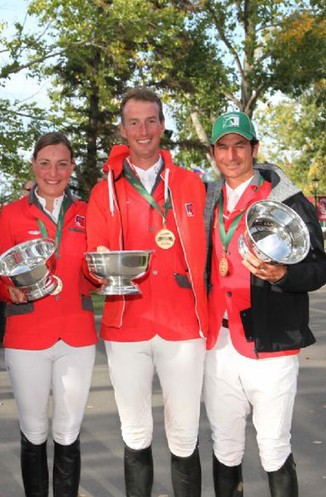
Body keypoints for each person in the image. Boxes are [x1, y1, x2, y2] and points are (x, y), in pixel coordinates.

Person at [85, 87, 208, 497]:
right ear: (122, 129)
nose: (143, 130)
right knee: (135, 432)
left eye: (151, 121)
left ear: (163, 127)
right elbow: (94, 256)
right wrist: (101, 265)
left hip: (183, 325)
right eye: (134, 122)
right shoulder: (104, 190)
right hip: (127, 325)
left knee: (184, 434)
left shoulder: (192, 184)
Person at [203, 111, 326, 497]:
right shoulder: (207, 198)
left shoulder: (288, 200)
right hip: (218, 345)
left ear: (254, 149)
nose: (231, 155)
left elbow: (320, 269)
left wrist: (282, 276)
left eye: (239, 146)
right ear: (213, 153)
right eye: (223, 147)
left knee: (274, 449)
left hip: (271, 344)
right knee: (225, 448)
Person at [0, 132, 97, 497]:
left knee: (69, 430)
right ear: (33, 166)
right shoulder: (9, 214)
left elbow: (95, 272)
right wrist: (10, 290)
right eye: (44, 163)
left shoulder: (89, 212)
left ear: (71, 168)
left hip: (77, 337)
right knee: (34, 429)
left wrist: (101, 276)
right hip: (27, 335)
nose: (53, 172)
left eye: (61, 163)